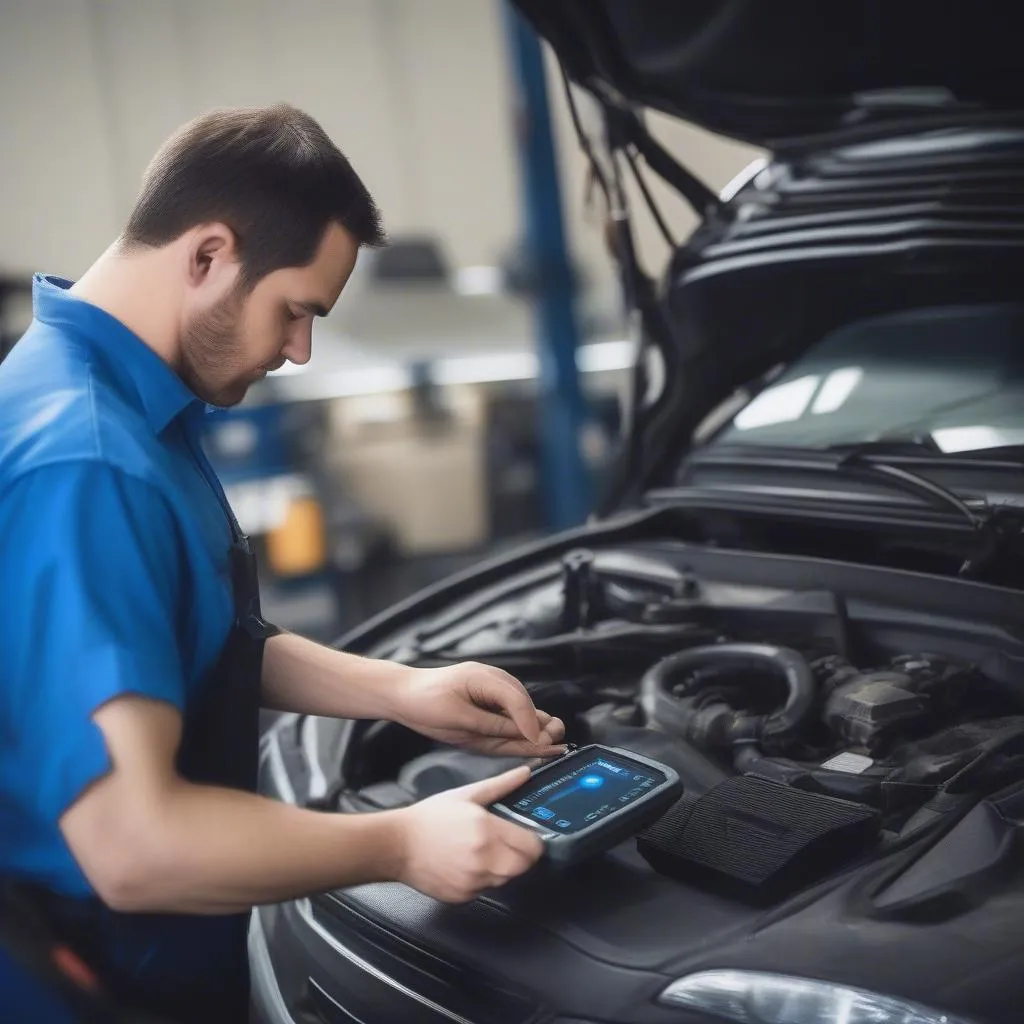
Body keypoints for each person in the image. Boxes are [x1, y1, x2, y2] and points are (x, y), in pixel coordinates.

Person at [0, 103, 566, 1024]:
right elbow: (133, 844)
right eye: (295, 311)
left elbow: (192, 637)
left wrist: (404, 691)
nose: (299, 351)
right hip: (98, 988)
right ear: (209, 254)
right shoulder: (90, 461)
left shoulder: (117, 403)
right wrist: (399, 845)